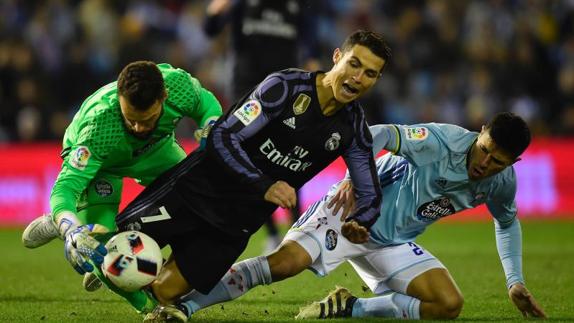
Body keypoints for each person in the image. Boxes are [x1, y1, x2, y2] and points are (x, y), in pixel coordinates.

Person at [63, 29, 390, 320]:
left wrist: (361, 220)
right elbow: (223, 137)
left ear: (376, 80)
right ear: (337, 57)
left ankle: (134, 273)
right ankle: (104, 255)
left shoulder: (354, 130)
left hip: (237, 222)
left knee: (163, 292)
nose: (358, 77)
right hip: (196, 189)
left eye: (370, 73)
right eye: (354, 64)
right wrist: (264, 184)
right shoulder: (285, 89)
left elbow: (369, 190)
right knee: (112, 248)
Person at [151, 112, 546, 321]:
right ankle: (186, 307)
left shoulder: (500, 183)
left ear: (514, 162)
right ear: (479, 134)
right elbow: (378, 134)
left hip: (389, 240)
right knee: (286, 264)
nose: (485, 164)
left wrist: (514, 281)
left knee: (448, 305)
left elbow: (507, 223)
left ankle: (348, 308)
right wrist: (354, 178)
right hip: (348, 213)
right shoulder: (441, 141)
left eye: (497, 161)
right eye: (484, 150)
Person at [21, 60, 223, 312]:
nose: (138, 128)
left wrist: (210, 126)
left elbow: (206, 103)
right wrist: (72, 230)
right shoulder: (98, 126)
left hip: (156, 151)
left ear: (164, 97)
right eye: (131, 119)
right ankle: (149, 307)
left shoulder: (178, 85)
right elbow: (65, 188)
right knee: (99, 249)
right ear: (119, 99)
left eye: (147, 119)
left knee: (196, 202)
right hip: (102, 167)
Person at [203, 0, 322, 251]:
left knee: (287, 154)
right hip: (245, 88)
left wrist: (312, 64)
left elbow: (310, 39)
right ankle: (271, 232)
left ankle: (296, 227)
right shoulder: (241, 3)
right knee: (253, 158)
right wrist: (216, 10)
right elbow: (211, 29)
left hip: (285, 88)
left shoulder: (296, 6)